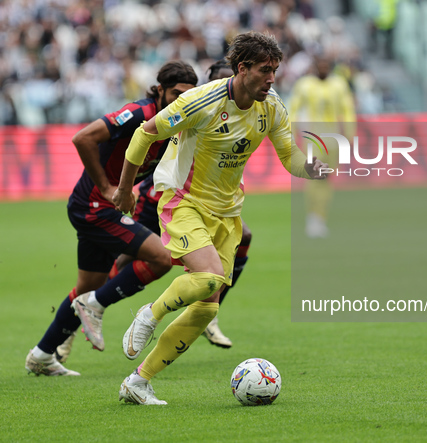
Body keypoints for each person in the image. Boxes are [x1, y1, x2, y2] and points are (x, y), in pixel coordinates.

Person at [114, 31, 327, 405]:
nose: (272, 79)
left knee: (207, 306)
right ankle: (150, 313)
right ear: (242, 69)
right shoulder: (202, 100)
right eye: (265, 70)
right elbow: (145, 133)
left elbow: (289, 156)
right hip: (182, 199)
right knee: (209, 276)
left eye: (275, 70)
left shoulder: (272, 106)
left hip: (227, 212)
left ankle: (138, 381)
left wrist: (314, 168)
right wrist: (124, 189)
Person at [25, 61, 198, 376]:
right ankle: (97, 306)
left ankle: (42, 355)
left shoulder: (176, 124)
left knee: (87, 286)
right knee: (161, 258)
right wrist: (107, 187)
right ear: (160, 90)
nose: (179, 101)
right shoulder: (138, 113)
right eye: (175, 93)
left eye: (187, 95)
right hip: (94, 205)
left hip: (102, 208)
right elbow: (83, 138)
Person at [108, 60, 249, 349]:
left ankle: (209, 309)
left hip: (212, 204)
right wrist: (123, 189)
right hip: (162, 196)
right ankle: (97, 303)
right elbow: (145, 136)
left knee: (231, 249)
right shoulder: (199, 105)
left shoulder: (244, 111)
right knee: (134, 258)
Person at [289, 55, 357, 238]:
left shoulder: (339, 85)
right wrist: (292, 133)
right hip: (313, 139)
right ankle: (313, 218)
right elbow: (293, 109)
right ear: (315, 66)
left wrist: (350, 135)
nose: (323, 68)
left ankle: (320, 217)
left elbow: (347, 110)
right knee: (314, 177)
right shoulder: (305, 85)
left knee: (326, 179)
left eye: (326, 65)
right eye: (320, 64)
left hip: (333, 140)